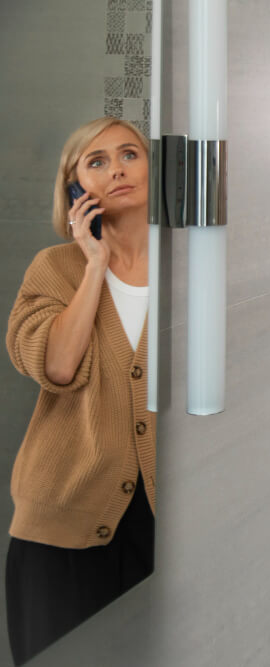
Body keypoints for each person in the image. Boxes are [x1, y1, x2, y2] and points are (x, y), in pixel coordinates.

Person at [5, 117, 155, 665]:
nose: (116, 168)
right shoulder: (55, 269)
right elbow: (58, 366)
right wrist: (94, 266)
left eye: (128, 154)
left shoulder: (195, 265)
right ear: (74, 189)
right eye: (95, 162)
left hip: (164, 520)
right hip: (60, 527)